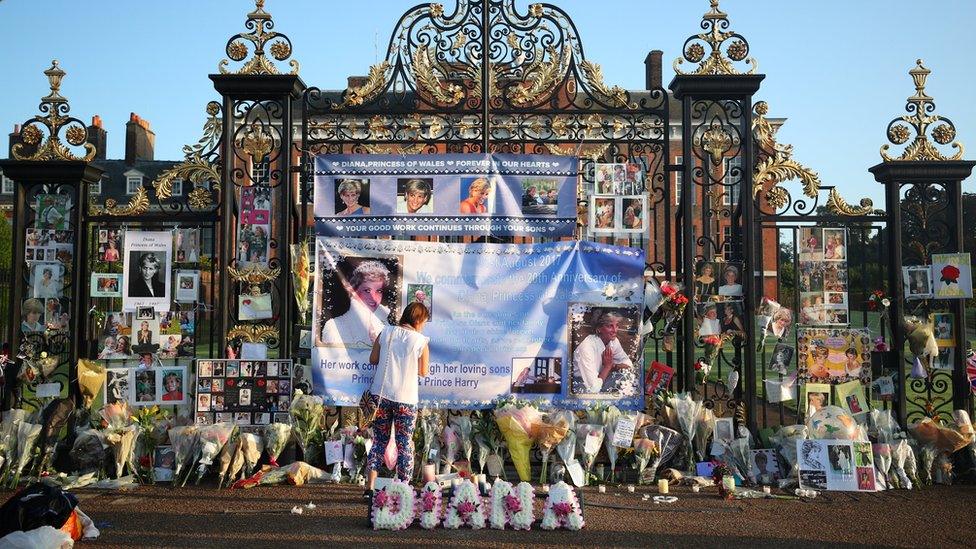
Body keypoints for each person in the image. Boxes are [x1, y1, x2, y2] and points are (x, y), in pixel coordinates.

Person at [364, 302, 431, 498]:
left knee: (379, 441)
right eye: (424, 322)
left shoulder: (385, 332)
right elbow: (423, 371)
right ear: (418, 320)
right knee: (404, 443)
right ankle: (403, 490)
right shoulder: (420, 340)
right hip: (406, 399)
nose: (424, 326)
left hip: (381, 395)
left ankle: (370, 487)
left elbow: (373, 359)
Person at [319, 260, 392, 348]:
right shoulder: (334, 326)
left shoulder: (385, 326)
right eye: (367, 291)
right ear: (354, 291)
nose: (373, 297)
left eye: (379, 291)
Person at [572, 311, 634, 394]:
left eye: (617, 325)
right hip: (581, 383)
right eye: (610, 326)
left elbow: (629, 365)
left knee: (628, 376)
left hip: (600, 378)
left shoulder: (613, 341)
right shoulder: (587, 347)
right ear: (598, 329)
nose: (615, 330)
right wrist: (607, 366)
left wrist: (614, 366)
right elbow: (593, 389)